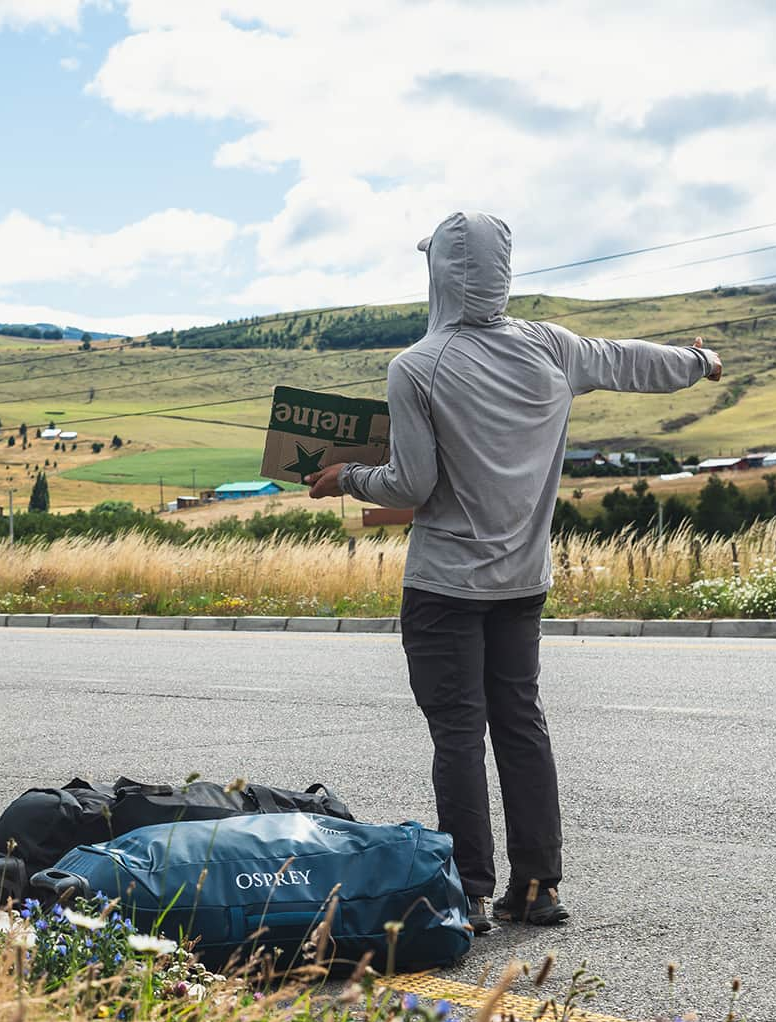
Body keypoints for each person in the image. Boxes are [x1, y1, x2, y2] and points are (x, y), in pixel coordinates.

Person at [308, 211, 722, 933]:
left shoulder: (418, 366)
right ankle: (537, 886)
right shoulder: (552, 348)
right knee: (521, 726)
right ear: (504, 273)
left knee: (459, 737)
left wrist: (346, 478)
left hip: (443, 589)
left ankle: (467, 893)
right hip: (524, 583)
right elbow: (628, 359)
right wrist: (698, 363)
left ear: (437, 274)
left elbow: (411, 484)